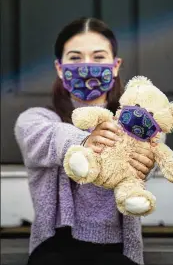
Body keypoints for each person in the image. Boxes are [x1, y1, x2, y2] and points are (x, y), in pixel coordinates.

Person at [14, 17, 164, 265]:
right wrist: (84, 142)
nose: (87, 65)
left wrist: (149, 163)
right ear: (60, 68)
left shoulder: (138, 120)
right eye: (74, 58)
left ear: (115, 66)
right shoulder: (35, 119)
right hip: (55, 244)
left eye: (98, 57)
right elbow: (47, 137)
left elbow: (153, 151)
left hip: (117, 248)